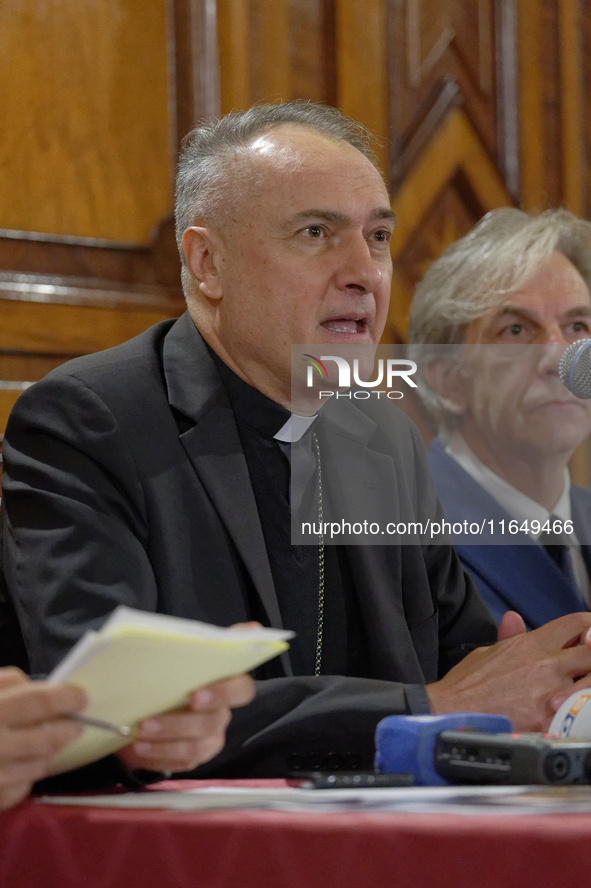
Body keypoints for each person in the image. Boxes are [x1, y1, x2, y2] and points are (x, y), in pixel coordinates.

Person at [3, 103, 591, 783]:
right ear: (207, 263)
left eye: (377, 237)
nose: (363, 272)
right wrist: (425, 705)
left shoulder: (381, 437)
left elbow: (474, 667)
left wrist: (552, 681)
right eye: (316, 233)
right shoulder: (92, 419)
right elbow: (106, 712)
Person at [408, 208, 591, 628]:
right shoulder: (404, 542)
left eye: (577, 326)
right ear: (447, 380)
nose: (561, 358)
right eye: (515, 330)